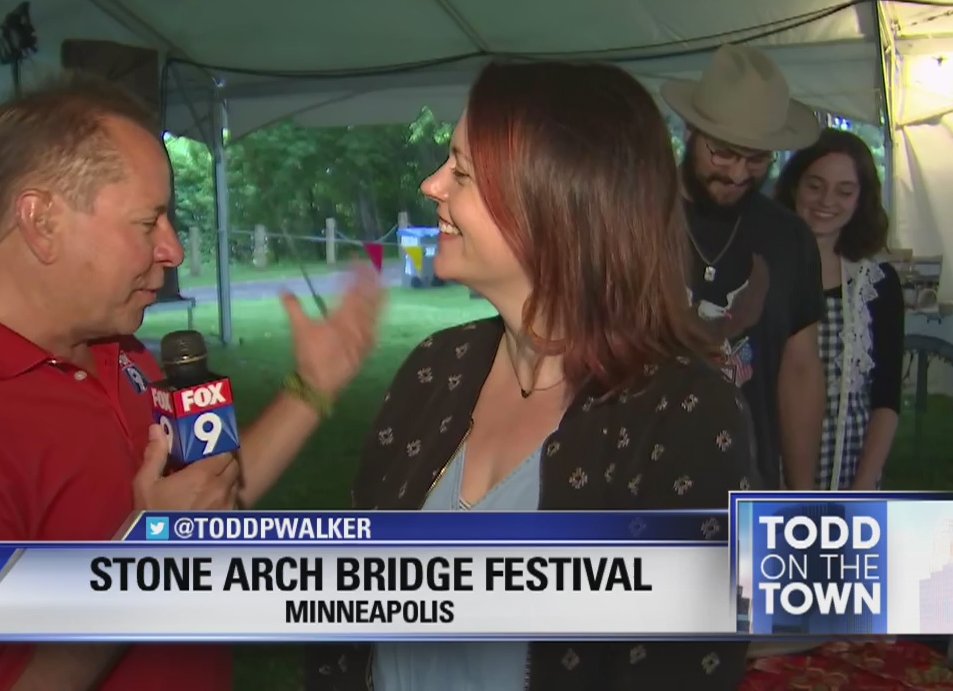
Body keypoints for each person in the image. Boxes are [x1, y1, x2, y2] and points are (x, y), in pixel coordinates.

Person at [0, 74, 385, 691]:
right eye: (148, 222)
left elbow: (200, 505)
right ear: (42, 222)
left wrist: (312, 387)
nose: (172, 249)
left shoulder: (115, 350)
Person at [305, 61, 758, 691]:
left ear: (554, 203)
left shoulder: (682, 414)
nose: (432, 185)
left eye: (461, 171)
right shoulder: (436, 369)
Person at [661, 44, 826, 491]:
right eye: (723, 154)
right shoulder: (633, 217)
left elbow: (800, 371)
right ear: (691, 129)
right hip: (638, 482)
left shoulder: (790, 239)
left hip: (750, 483)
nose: (737, 174)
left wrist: (802, 494)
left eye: (757, 159)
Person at [774, 128, 904, 490]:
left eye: (845, 191)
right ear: (794, 187)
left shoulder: (877, 284)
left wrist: (863, 487)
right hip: (770, 471)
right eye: (815, 186)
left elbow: (886, 400)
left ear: (861, 199)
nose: (826, 200)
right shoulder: (763, 273)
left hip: (850, 472)